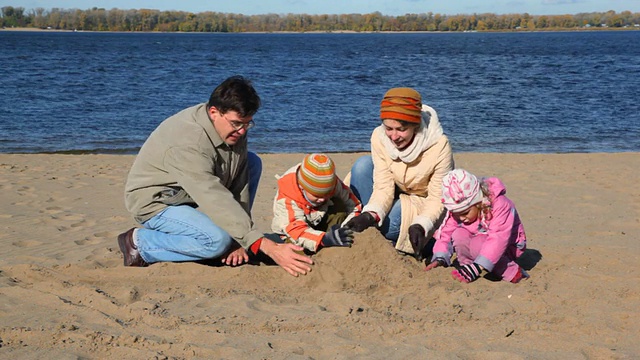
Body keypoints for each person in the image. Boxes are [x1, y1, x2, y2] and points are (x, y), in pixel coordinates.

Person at [117, 75, 313, 277]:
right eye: (237, 123)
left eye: (248, 124)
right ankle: (141, 243)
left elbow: (239, 186)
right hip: (154, 202)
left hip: (185, 194)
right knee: (216, 242)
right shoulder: (189, 141)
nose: (242, 130)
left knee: (252, 162)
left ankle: (227, 238)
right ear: (213, 112)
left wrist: (242, 240)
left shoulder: (233, 128)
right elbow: (212, 196)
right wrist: (265, 246)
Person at [344, 87, 454, 261]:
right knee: (362, 166)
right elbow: (383, 186)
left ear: (415, 125)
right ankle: (363, 221)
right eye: (389, 128)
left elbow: (437, 198)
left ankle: (418, 240)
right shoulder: (379, 138)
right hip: (394, 191)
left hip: (422, 202)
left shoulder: (440, 146)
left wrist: (421, 224)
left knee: (392, 220)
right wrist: (370, 214)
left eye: (401, 129)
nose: (393, 136)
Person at [425, 168, 529, 284]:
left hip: (509, 245)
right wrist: (440, 257)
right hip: (478, 238)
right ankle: (468, 266)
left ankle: (513, 272)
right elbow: (446, 234)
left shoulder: (500, 204)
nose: (461, 218)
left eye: (465, 213)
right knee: (458, 234)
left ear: (477, 202)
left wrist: (478, 267)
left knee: (477, 244)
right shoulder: (458, 211)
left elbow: (498, 238)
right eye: (457, 214)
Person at [271, 153, 362, 252]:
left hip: (321, 219)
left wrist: (347, 226)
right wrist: (324, 239)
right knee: (297, 251)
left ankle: (333, 239)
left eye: (327, 194)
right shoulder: (287, 196)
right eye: (317, 196)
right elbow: (297, 232)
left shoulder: (332, 183)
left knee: (340, 205)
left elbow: (354, 205)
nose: (322, 199)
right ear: (302, 187)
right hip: (292, 234)